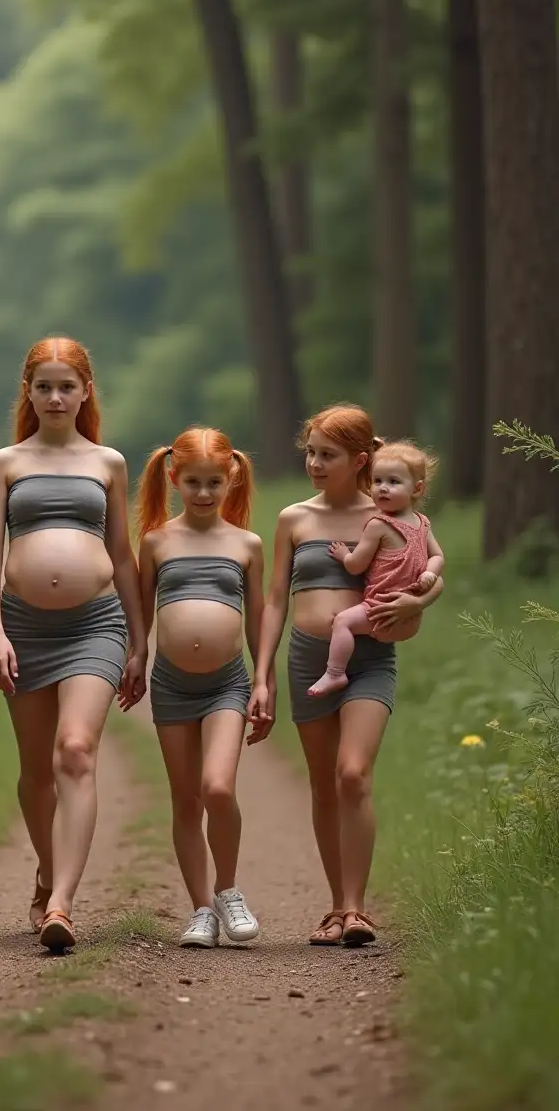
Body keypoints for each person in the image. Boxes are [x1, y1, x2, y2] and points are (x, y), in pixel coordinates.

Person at [249, 404, 443, 948]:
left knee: (352, 774)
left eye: (326, 455)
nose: (313, 462)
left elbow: (428, 569)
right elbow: (274, 602)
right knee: (323, 785)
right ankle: (336, 906)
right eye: (309, 451)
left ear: (359, 459)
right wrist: (261, 676)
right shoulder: (294, 518)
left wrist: (425, 594)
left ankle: (357, 909)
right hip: (309, 659)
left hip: (371, 658)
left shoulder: (386, 510)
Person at [0, 337, 147, 952]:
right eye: (43, 386)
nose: (54, 397)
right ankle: (47, 872)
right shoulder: (5, 462)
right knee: (35, 771)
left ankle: (63, 904)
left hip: (94, 624)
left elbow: (123, 557)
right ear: (29, 391)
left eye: (66, 386)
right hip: (23, 627)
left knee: (74, 750)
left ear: (85, 392)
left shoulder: (108, 462)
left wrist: (139, 639)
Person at [135, 428, 269, 950]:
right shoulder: (156, 541)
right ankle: (201, 910)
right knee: (186, 800)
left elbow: (258, 620)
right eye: (193, 482)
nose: (205, 493)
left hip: (227, 686)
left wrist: (263, 681)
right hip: (171, 686)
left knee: (218, 787)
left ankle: (228, 890)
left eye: (215, 482)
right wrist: (137, 658)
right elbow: (142, 613)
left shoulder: (246, 544)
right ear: (174, 478)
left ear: (231, 478)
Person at [307, 440, 445, 697]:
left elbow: (356, 566)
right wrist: (429, 574)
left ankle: (335, 673)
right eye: (377, 481)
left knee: (343, 622)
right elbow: (437, 557)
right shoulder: (422, 523)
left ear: (417, 489)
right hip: (410, 618)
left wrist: (343, 554)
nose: (382, 488)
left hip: (379, 612)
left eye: (393, 482)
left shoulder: (378, 525)